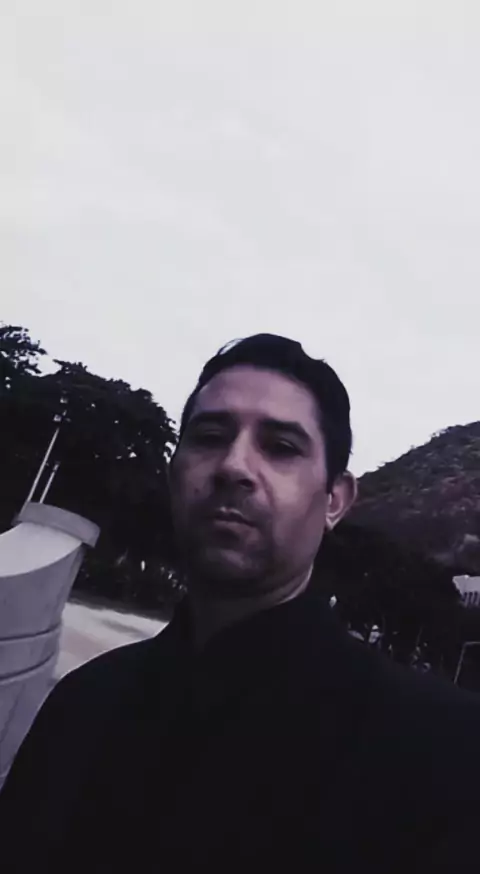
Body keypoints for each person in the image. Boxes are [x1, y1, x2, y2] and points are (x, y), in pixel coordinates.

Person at [1, 333, 479, 873]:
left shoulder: (444, 753)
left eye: (281, 447)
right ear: (175, 470)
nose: (233, 466)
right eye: (209, 437)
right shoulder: (81, 705)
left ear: (335, 500)